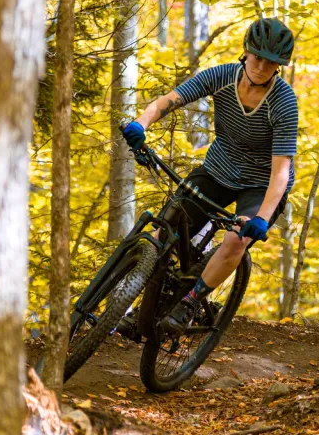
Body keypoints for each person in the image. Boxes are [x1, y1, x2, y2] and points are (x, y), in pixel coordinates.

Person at [121, 17, 298, 325]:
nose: (261, 68)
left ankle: (192, 301)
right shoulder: (224, 77)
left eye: (271, 63)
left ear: (278, 66)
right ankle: (143, 306)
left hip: (261, 185)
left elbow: (280, 171)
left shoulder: (283, 102)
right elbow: (171, 100)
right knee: (165, 231)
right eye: (257, 58)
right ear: (246, 51)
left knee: (236, 240)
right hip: (219, 168)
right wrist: (141, 123)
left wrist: (261, 218)